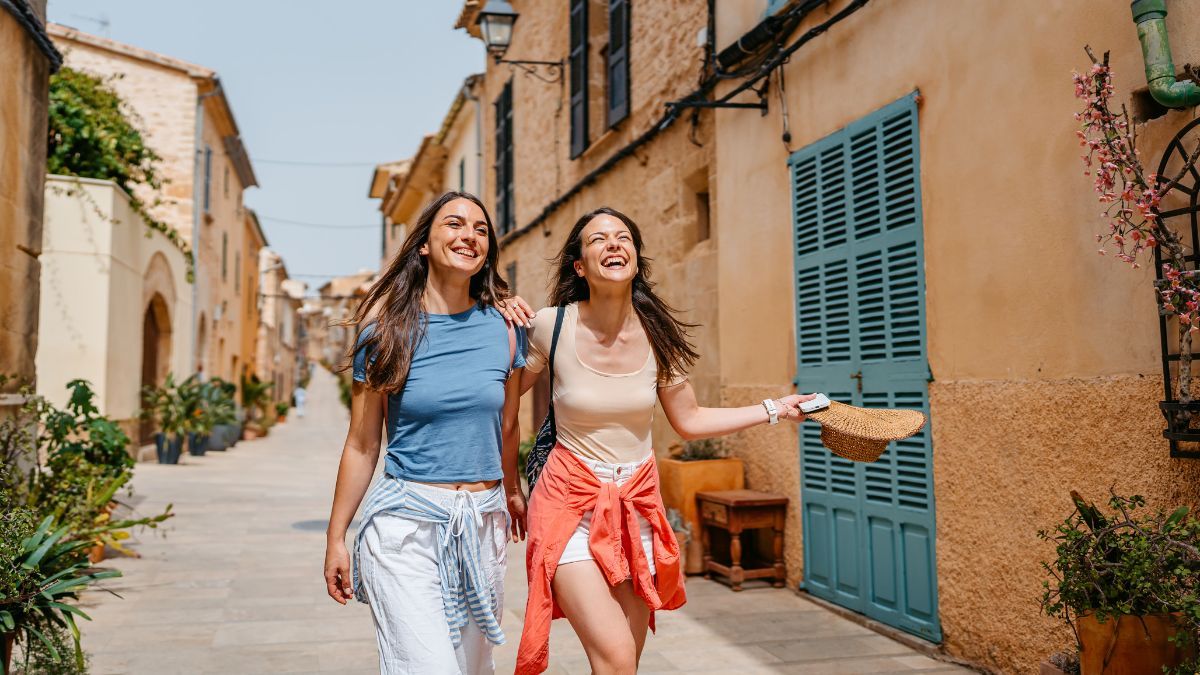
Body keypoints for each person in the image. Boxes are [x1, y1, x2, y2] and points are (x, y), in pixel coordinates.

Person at [514, 207, 812, 675]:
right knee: (616, 656)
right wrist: (493, 313)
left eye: (623, 237)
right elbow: (497, 400)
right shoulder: (550, 325)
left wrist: (776, 408)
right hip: (568, 506)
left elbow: (689, 419)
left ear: (636, 257)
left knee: (623, 664)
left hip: (636, 506)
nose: (613, 243)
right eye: (598, 239)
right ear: (580, 265)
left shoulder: (657, 335)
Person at [322, 191, 536, 675]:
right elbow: (362, 444)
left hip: (481, 527)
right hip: (406, 528)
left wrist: (512, 488)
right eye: (454, 224)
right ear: (424, 243)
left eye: (480, 229)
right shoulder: (385, 333)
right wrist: (336, 537)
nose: (469, 236)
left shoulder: (507, 329)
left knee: (471, 668)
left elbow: (508, 425)